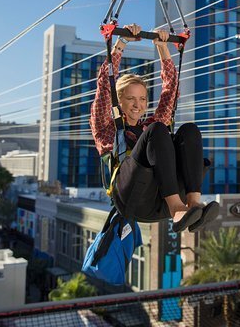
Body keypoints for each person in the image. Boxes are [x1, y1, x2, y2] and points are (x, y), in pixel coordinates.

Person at [90, 24, 218, 232]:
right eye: (130, 98)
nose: (137, 104)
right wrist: (121, 43)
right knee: (157, 130)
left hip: (157, 197)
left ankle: (193, 203)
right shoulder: (106, 127)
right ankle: (176, 207)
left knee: (189, 131)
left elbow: (171, 91)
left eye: (142, 99)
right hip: (132, 198)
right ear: (118, 101)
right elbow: (105, 84)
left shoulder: (148, 126)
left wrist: (162, 47)